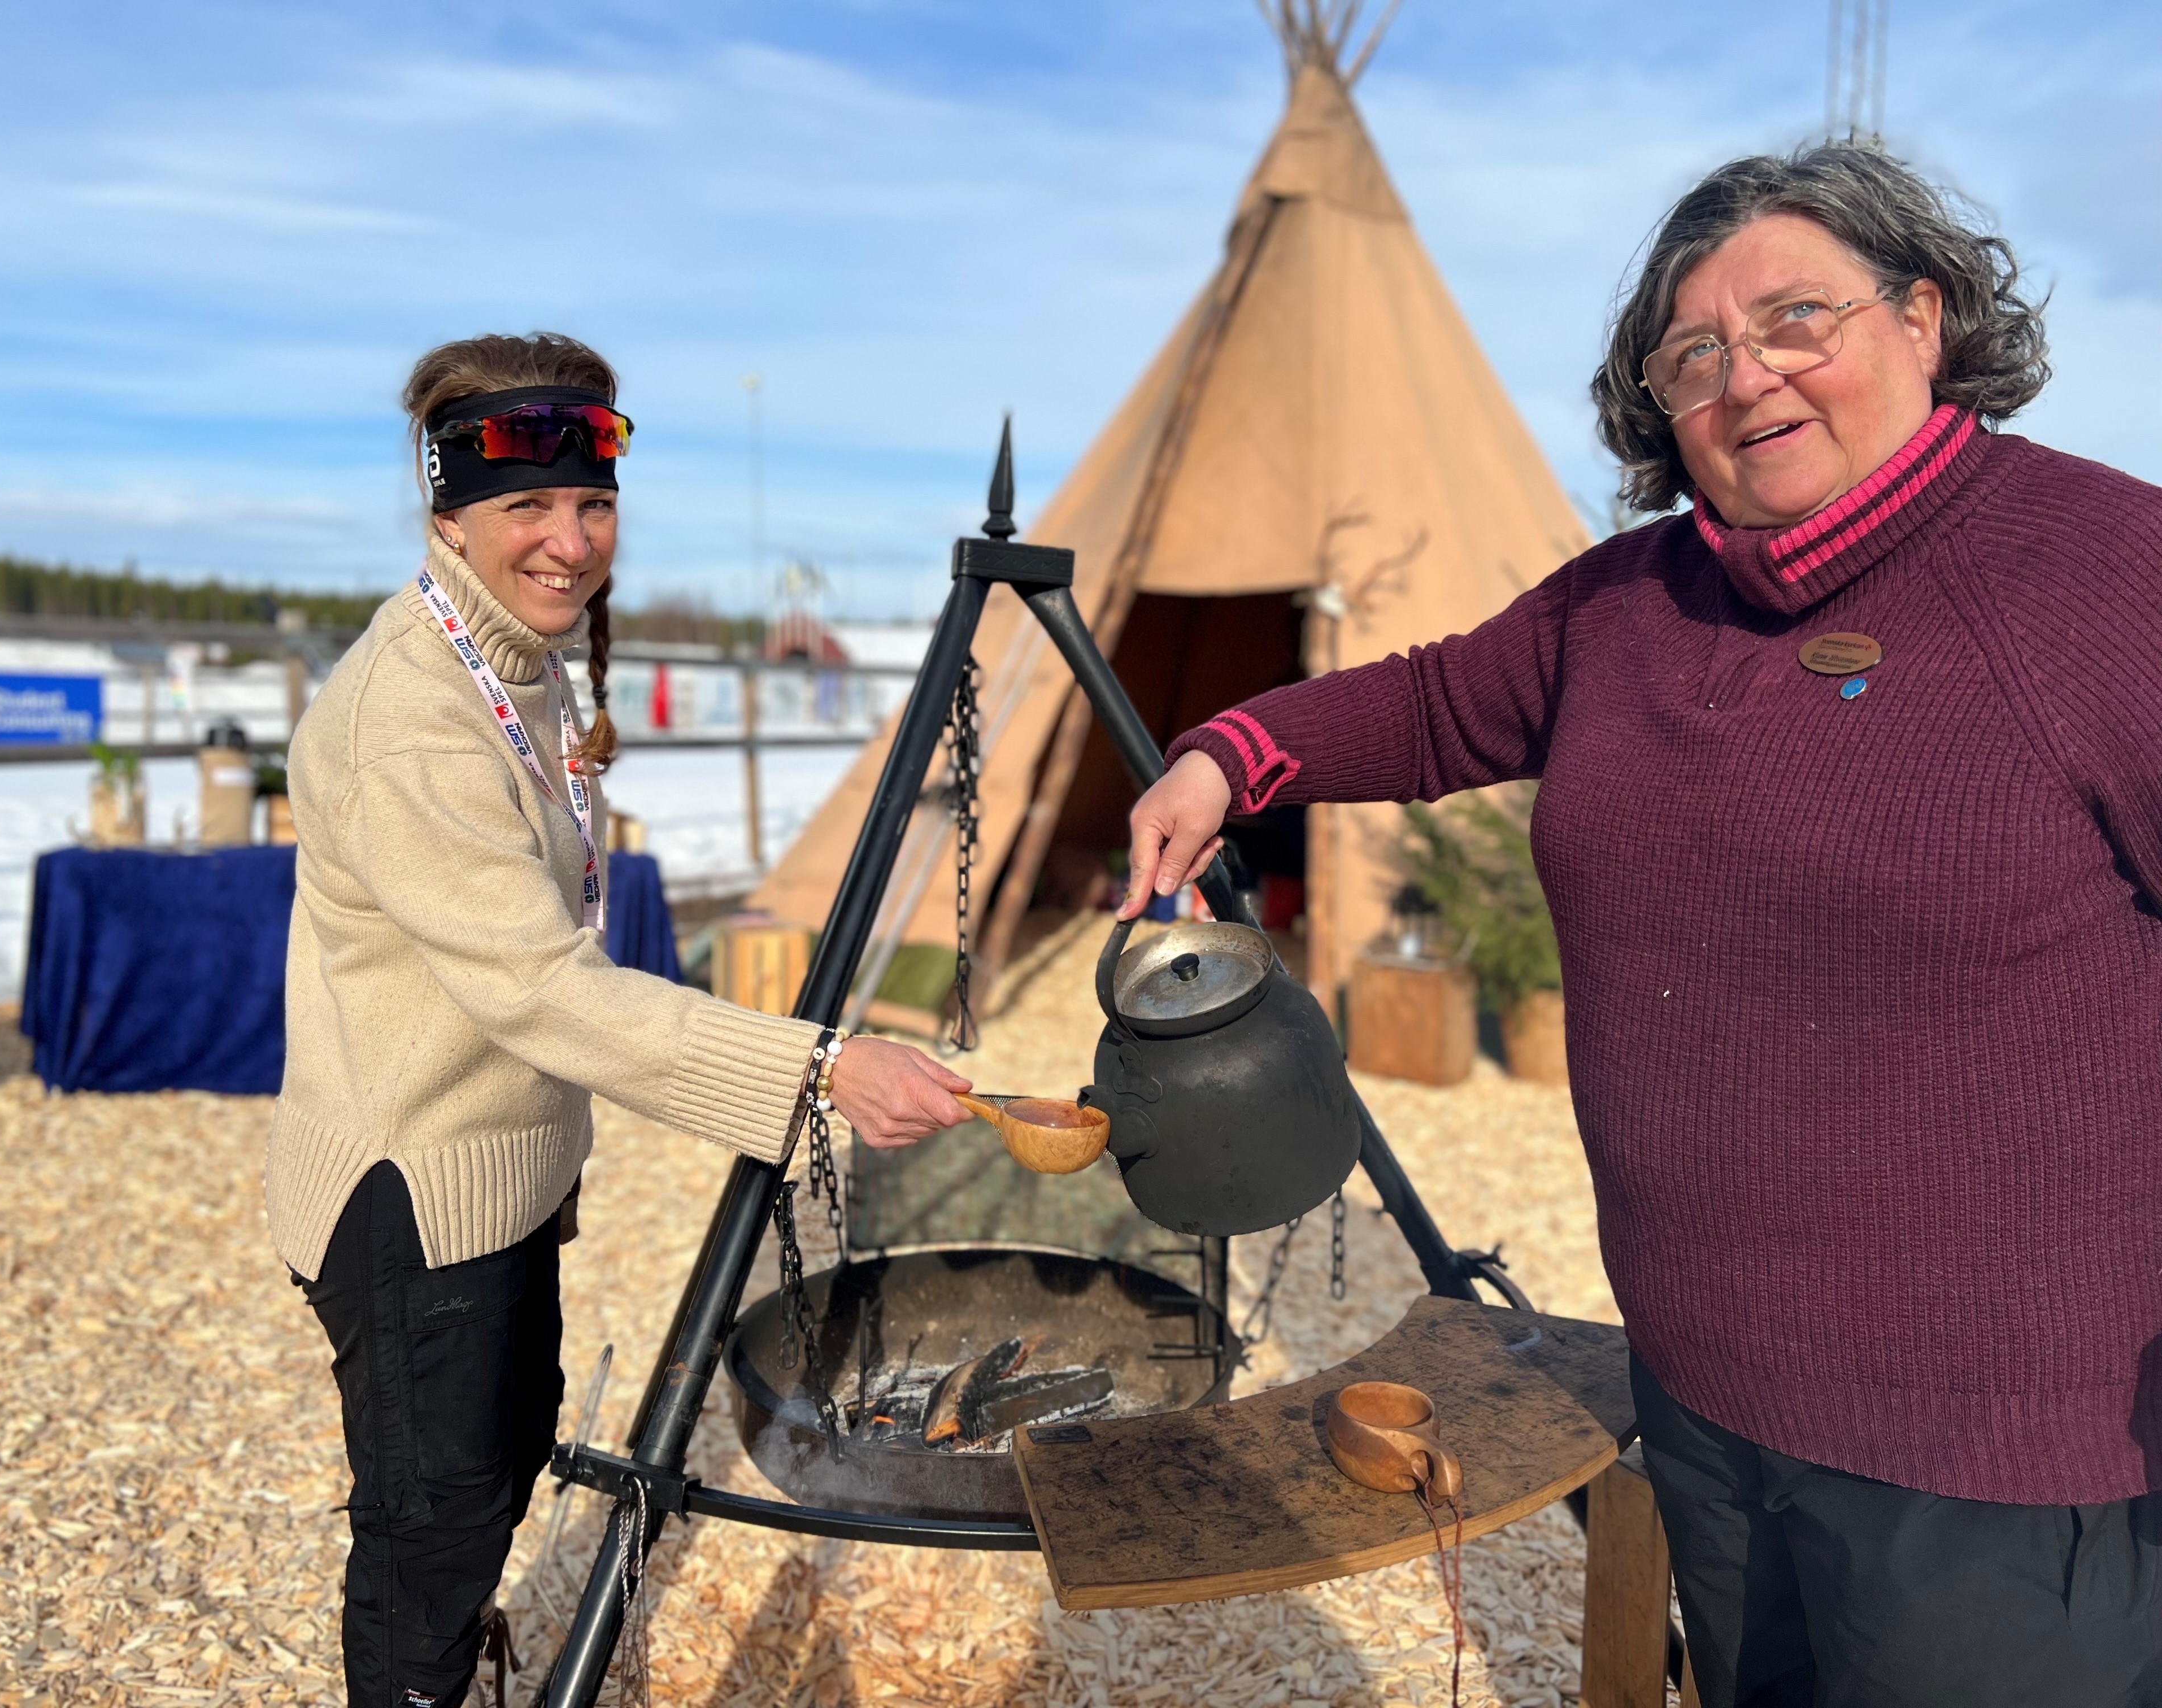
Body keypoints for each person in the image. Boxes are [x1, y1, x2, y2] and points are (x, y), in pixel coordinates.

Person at [1125, 146, 2162, 1705]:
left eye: (1800, 318)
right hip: (1705, 1399)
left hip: (1997, 1458)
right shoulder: (1629, 603)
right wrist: (1230, 751)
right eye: (1695, 354)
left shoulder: (2100, 571)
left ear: (1926, 319)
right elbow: (1426, 704)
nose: (1750, 378)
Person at [268, 332, 973, 1707]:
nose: (569, 542)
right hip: (411, 1191)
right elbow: (542, 988)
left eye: (591, 505)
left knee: (501, 1457)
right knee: (432, 1531)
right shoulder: (408, 719)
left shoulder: (510, 665)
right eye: (526, 505)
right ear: (447, 511)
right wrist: (821, 1069)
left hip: (499, 1172)